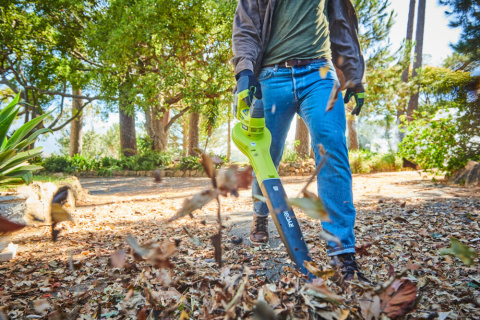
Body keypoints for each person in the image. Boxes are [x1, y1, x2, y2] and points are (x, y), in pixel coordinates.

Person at [231, 0, 368, 282]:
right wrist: (245, 70)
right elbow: (246, 26)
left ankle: (342, 252)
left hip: (318, 74)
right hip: (270, 75)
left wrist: (354, 75)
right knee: (267, 154)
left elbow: (342, 25)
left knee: (332, 149)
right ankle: (260, 212)